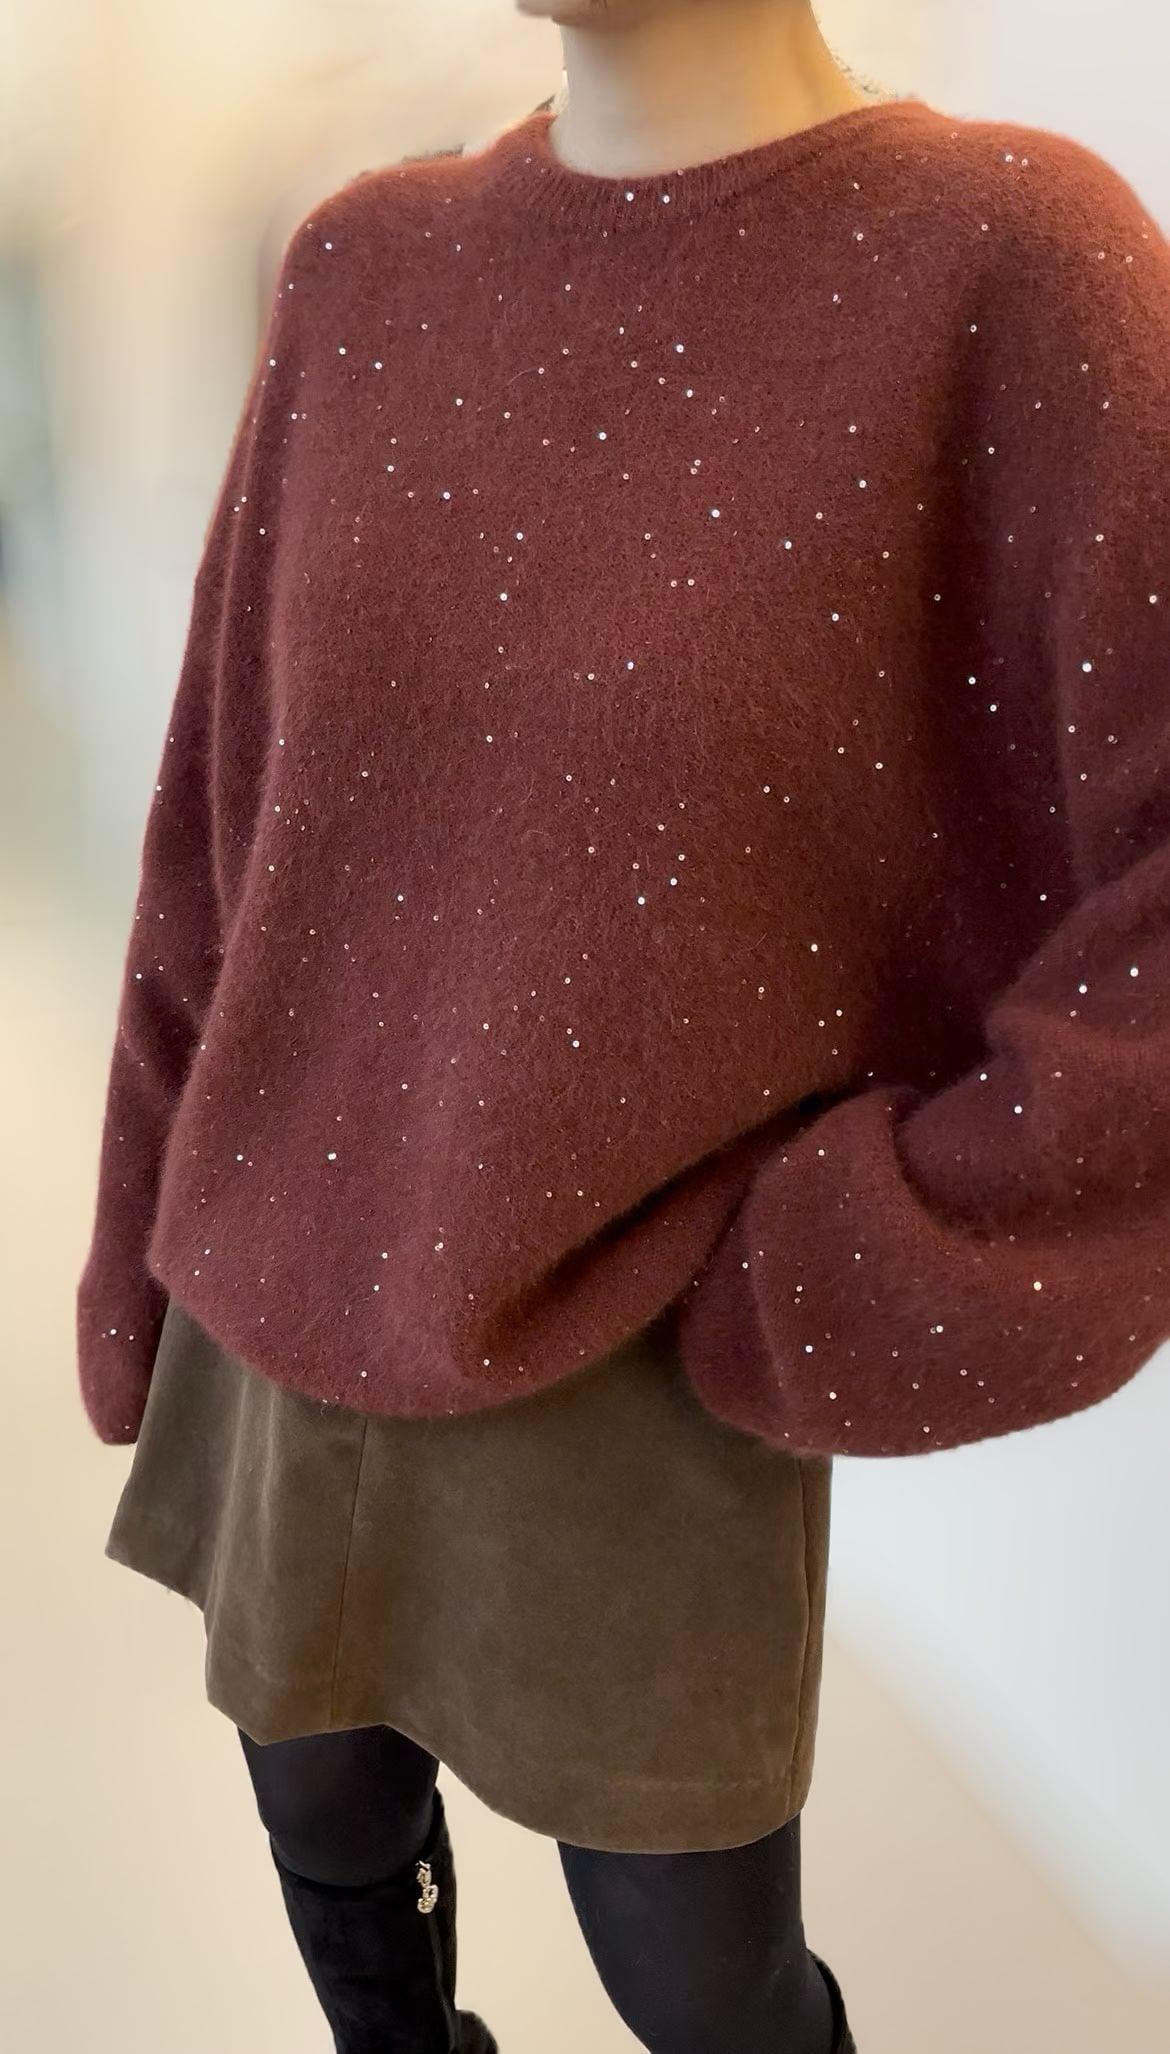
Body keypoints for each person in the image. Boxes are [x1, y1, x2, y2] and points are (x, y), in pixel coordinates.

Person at [77, 2, 1170, 2049]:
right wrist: (141, 1232)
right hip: (283, 1266)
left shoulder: (1006, 257)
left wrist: (878, 1250)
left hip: (641, 1319)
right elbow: (224, 812)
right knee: (324, 1823)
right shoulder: (365, 264)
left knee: (701, 1981)